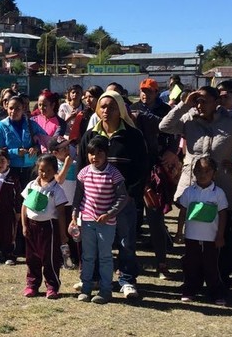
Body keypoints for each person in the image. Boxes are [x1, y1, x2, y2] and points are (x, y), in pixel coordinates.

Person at [159, 85, 232, 285]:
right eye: (197, 100)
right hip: (192, 185)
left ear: (217, 102)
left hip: (221, 185)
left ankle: (218, 280)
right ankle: (193, 279)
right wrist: (183, 105)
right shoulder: (189, 119)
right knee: (194, 236)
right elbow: (164, 126)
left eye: (204, 100)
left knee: (218, 236)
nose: (199, 104)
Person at [76, 90, 148, 300]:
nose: (106, 110)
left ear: (121, 109)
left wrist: (132, 194)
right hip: (95, 203)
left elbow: (142, 167)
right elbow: (81, 166)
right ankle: (94, 278)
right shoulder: (90, 135)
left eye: (111, 106)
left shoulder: (133, 136)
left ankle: (126, 280)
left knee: (126, 242)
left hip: (122, 200)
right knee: (95, 242)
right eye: (103, 106)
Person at [130, 77, 178, 278]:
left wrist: (171, 151)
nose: (145, 94)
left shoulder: (165, 111)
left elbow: (174, 135)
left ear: (156, 92)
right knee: (131, 219)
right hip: (134, 169)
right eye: (143, 90)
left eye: (149, 91)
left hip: (155, 170)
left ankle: (162, 263)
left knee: (155, 218)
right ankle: (130, 263)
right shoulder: (132, 108)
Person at [71, 135, 128, 304]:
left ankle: (105, 291)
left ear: (107, 153)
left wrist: (110, 213)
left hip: (106, 224)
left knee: (104, 257)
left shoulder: (113, 173)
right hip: (87, 221)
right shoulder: (83, 173)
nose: (94, 157)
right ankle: (86, 288)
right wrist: (75, 214)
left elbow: (122, 197)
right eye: (91, 153)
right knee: (88, 256)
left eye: (99, 153)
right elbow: (78, 196)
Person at [175, 156, 228, 305]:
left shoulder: (218, 193)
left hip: (211, 238)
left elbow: (223, 214)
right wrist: (179, 232)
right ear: (193, 172)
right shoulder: (189, 192)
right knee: (191, 265)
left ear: (214, 173)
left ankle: (216, 293)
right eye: (198, 171)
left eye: (207, 171)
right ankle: (189, 290)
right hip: (191, 237)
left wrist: (220, 235)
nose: (202, 174)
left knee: (212, 267)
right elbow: (183, 212)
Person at [20, 153, 68, 299]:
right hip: (31, 226)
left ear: (55, 171)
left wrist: (63, 234)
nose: (44, 173)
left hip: (49, 228)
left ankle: (52, 286)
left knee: (50, 258)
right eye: (41, 170)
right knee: (32, 257)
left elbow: (60, 214)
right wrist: (24, 225)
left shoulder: (57, 190)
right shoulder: (31, 185)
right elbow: (24, 207)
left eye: (48, 170)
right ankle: (32, 285)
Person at [0, 95, 50, 189]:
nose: (13, 111)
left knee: (29, 199)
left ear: (23, 108)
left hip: (31, 169)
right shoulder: (1, 126)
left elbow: (45, 140)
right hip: (10, 169)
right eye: (11, 108)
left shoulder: (31, 124)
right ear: (6, 107)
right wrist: (15, 152)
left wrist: (36, 148)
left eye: (18, 108)